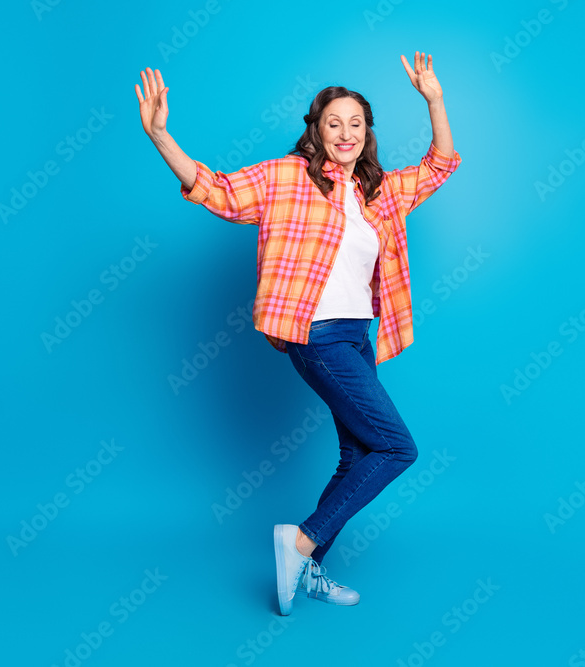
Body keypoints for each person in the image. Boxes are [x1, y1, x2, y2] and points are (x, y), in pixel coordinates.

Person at [135, 51, 461, 615]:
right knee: (397, 447)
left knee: (356, 454)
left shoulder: (377, 190)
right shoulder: (288, 177)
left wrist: (434, 100)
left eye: (356, 124)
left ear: (367, 134)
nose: (346, 133)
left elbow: (439, 165)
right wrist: (162, 137)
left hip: (358, 335)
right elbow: (218, 192)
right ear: (316, 129)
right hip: (317, 335)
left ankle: (308, 569)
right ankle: (301, 542)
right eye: (334, 122)